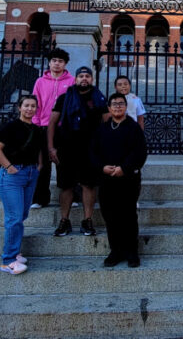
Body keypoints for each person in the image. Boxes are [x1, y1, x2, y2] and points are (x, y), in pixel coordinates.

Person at [48, 65, 108, 237]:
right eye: (81, 76)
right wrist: (51, 147)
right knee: (66, 185)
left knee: (89, 185)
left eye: (87, 76)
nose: (84, 79)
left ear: (92, 79)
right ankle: (64, 220)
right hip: (66, 147)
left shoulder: (99, 99)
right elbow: (52, 123)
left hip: (91, 149)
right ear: (75, 79)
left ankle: (87, 220)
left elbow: (106, 124)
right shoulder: (64, 98)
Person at [91, 92, 147, 268]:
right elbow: (92, 152)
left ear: (125, 106)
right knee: (110, 215)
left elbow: (139, 152)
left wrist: (124, 168)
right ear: (109, 108)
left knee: (128, 215)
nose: (117, 107)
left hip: (128, 179)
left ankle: (132, 252)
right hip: (107, 179)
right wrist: (102, 167)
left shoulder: (133, 128)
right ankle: (116, 251)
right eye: (114, 104)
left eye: (121, 104)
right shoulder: (102, 129)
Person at [0, 94, 46, 275]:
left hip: (30, 173)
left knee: (22, 214)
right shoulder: (10, 127)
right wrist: (9, 167)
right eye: (26, 106)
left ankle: (15, 251)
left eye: (33, 106)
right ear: (19, 108)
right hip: (12, 176)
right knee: (14, 217)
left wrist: (38, 166)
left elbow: (38, 149)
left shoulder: (36, 130)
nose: (30, 109)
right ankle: (8, 260)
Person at [30, 48, 73, 209]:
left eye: (60, 61)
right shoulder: (40, 82)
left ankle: (72, 195)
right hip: (43, 126)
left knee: (66, 163)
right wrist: (36, 122)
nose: (57, 64)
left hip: (63, 129)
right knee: (43, 164)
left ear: (65, 64)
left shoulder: (71, 81)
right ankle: (40, 198)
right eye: (54, 60)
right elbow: (36, 103)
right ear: (49, 62)